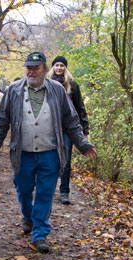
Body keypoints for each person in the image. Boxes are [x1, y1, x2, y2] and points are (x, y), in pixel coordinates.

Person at [0, 51, 97, 253]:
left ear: (45, 69)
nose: (31, 71)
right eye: (28, 67)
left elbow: (71, 120)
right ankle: (28, 215)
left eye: (36, 68)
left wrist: (83, 143)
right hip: (23, 152)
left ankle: (40, 233)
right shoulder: (13, 91)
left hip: (50, 152)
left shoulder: (57, 91)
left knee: (45, 193)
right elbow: (1, 120)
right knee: (24, 189)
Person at [47, 56, 89, 205]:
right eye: (57, 65)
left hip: (67, 129)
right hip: (49, 127)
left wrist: (85, 129)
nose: (59, 68)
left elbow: (80, 108)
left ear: (65, 67)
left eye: (62, 65)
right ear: (53, 67)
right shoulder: (46, 83)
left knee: (66, 159)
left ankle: (64, 191)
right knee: (49, 158)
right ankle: (48, 189)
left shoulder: (72, 85)